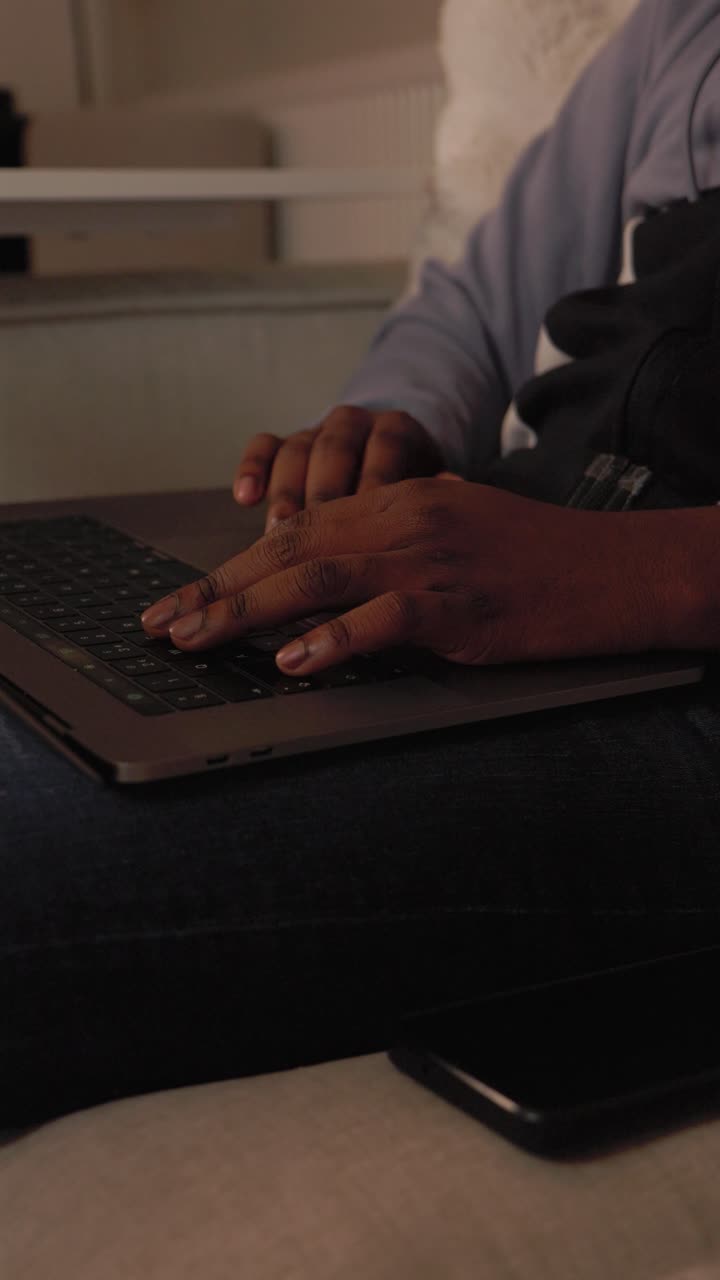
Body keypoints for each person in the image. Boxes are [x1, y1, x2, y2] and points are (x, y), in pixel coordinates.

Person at [5, 0, 720, 1129]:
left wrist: (646, 570)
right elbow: (474, 306)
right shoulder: (681, 31)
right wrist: (392, 424)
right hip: (508, 548)